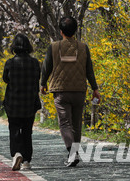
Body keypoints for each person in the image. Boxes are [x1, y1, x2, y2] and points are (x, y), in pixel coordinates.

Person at [41, 15, 100, 167]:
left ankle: (72, 153)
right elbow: (89, 70)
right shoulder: (83, 47)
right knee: (76, 123)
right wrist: (95, 88)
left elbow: (46, 67)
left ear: (61, 31)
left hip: (61, 91)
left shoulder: (54, 47)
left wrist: (42, 84)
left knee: (65, 123)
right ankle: (74, 153)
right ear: (75, 31)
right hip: (79, 90)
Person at [2, 33, 41, 171]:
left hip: (13, 102)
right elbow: (37, 78)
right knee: (27, 131)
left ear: (14, 47)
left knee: (14, 130)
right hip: (30, 102)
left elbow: (5, 79)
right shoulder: (35, 63)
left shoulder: (10, 63)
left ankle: (16, 153)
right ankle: (26, 161)